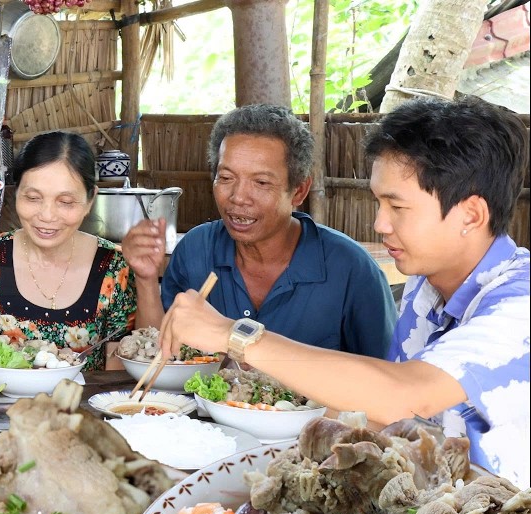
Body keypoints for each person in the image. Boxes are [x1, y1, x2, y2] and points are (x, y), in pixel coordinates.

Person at [161, 96, 529, 489]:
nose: (379, 224)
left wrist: (231, 334)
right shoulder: (427, 285)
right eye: (378, 202)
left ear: (471, 215)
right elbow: (382, 418)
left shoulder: (519, 304)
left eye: (397, 207)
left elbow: (407, 395)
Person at [124, 104, 395, 358]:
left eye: (261, 182)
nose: (239, 197)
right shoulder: (197, 251)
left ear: (298, 190)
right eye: (226, 178)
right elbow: (158, 353)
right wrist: (146, 280)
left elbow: (386, 381)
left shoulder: (351, 270)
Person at [0, 131, 163, 377]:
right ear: (16, 192)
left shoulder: (115, 268)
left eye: (66, 202)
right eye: (33, 198)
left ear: (90, 199)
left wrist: (146, 279)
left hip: (82, 412)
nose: (47, 216)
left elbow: (124, 372)